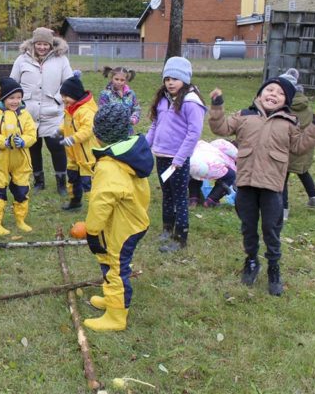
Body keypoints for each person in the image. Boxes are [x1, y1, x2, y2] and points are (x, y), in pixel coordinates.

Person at [208, 76, 315, 296]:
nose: (273, 94)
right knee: (248, 227)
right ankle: (252, 260)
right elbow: (220, 128)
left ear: (286, 101)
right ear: (260, 94)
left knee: (271, 229)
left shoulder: (289, 122)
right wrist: (217, 106)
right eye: (269, 89)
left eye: (280, 93)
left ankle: (274, 267)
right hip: (246, 184)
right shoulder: (245, 115)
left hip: (272, 187)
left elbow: (300, 147)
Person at [83, 103, 153, 332]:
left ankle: (116, 316)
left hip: (123, 226)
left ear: (99, 135)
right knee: (110, 261)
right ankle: (111, 298)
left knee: (116, 265)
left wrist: (92, 232)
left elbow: (101, 203)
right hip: (132, 219)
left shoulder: (110, 166)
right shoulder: (129, 154)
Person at [146, 57, 205, 253]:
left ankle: (180, 238)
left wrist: (180, 158)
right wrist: (145, 146)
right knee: (167, 194)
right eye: (167, 78)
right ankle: (167, 229)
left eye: (175, 79)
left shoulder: (191, 102)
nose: (170, 83)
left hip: (177, 160)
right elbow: (155, 125)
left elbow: (194, 133)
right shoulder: (163, 99)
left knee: (180, 198)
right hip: (161, 155)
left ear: (185, 79)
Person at [10, 27, 73, 196]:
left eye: (46, 44)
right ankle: (38, 181)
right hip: (28, 113)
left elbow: (69, 83)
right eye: (39, 43)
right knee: (33, 147)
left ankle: (61, 183)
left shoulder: (61, 60)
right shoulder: (22, 60)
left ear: (51, 45)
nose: (42, 47)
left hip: (53, 113)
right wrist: (17, 102)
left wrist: (57, 99)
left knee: (57, 147)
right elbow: (13, 83)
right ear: (33, 43)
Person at [0, 77, 38, 235]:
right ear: (3, 99)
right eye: (11, 98)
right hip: (0, 160)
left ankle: (20, 219)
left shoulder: (25, 115)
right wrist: (4, 142)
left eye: (18, 97)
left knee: (22, 190)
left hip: (21, 160)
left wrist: (23, 141)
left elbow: (32, 134)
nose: (15, 101)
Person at [279, 68, 315, 221]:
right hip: (304, 148)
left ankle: (283, 210)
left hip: (287, 149)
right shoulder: (306, 106)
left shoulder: (285, 108)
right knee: (303, 172)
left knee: (282, 179)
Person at [57, 73, 98, 211]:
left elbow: (88, 129)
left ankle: (95, 207)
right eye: (62, 96)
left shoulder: (86, 110)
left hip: (86, 154)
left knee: (88, 182)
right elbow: (67, 124)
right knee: (73, 177)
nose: (63, 99)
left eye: (66, 96)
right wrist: (60, 130)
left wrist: (73, 138)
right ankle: (75, 202)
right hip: (73, 152)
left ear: (75, 94)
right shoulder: (70, 108)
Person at [188, 139, 237, 208]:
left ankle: (193, 199)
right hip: (210, 167)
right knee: (230, 175)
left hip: (192, 163)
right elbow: (233, 172)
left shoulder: (213, 145)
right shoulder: (232, 156)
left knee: (196, 174)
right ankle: (211, 200)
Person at [98, 66, 141, 132]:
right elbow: (102, 112)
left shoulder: (131, 94)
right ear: (112, 78)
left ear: (126, 81)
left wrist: (133, 119)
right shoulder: (105, 94)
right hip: (110, 132)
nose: (119, 82)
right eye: (116, 79)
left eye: (122, 80)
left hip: (127, 131)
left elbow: (136, 108)